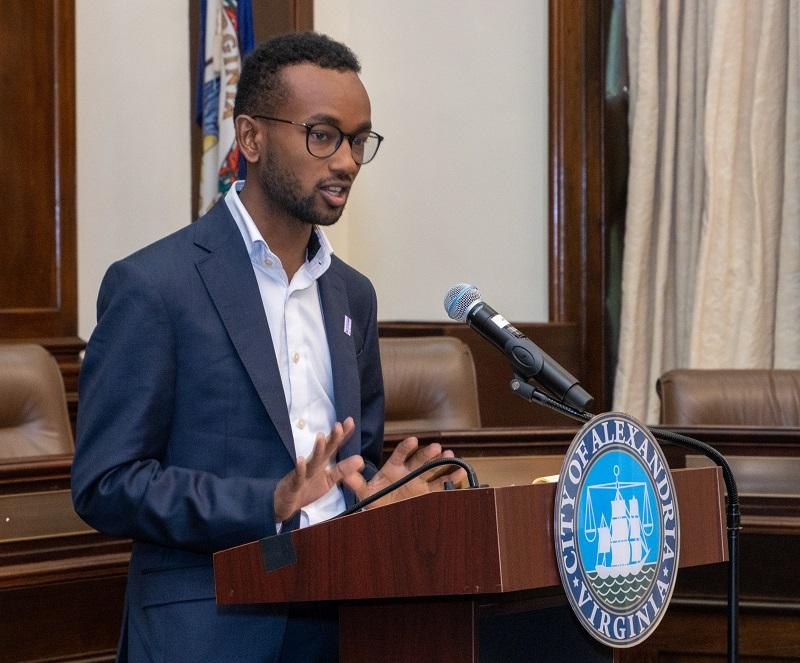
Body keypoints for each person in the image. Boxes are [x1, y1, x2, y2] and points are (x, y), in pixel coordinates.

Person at [72, 32, 465, 662]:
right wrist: (267, 501)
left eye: (359, 140)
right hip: (209, 625)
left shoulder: (351, 295)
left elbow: (349, 465)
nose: (346, 161)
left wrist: (381, 498)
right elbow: (107, 483)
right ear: (251, 139)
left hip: (340, 624)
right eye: (323, 134)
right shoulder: (154, 285)